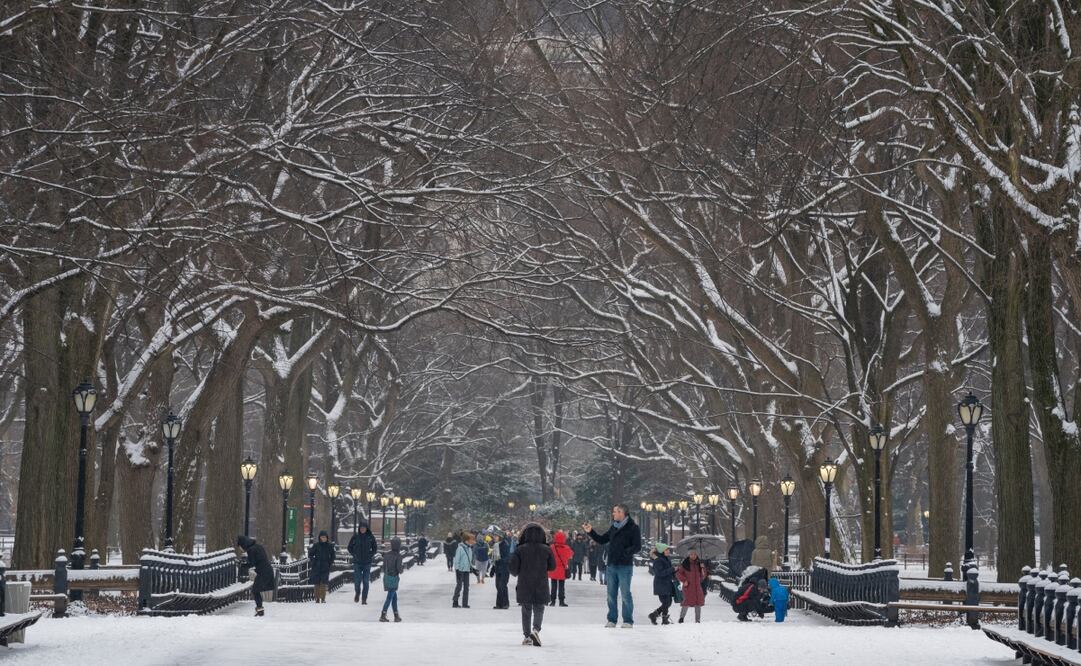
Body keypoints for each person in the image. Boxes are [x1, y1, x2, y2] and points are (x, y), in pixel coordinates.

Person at [583, 504, 642, 627]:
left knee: (625, 593)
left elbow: (637, 546)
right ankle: (612, 619)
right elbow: (602, 539)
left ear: (622, 513)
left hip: (624, 566)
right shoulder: (614, 527)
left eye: (615, 512)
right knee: (611, 594)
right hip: (611, 565)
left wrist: (625, 553)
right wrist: (590, 532)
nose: (613, 514)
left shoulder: (633, 527)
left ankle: (627, 620)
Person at [509, 523, 556, 647]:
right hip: (541, 583)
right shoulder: (546, 549)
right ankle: (536, 630)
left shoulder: (520, 549)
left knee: (526, 610)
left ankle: (527, 636)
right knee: (539, 608)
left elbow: (513, 569)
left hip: (525, 583)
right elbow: (552, 566)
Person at [237, 535, 275, 617]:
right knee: (256, 590)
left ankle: (260, 610)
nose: (241, 549)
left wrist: (242, 565)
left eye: (240, 547)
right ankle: (260, 610)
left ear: (243, 544)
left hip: (263, 572)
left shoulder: (251, 550)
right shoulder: (257, 546)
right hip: (266, 570)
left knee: (255, 590)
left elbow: (252, 563)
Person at [347, 522, 378, 604]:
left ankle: (364, 598)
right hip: (357, 562)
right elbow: (349, 547)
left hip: (367, 562)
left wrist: (370, 554)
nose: (362, 529)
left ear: (366, 529)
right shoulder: (355, 537)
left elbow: (375, 548)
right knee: (357, 580)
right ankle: (357, 592)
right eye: (361, 528)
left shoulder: (370, 537)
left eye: (364, 528)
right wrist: (354, 554)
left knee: (366, 581)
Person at [675, 547, 708, 623]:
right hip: (688, 587)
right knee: (686, 602)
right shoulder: (685, 564)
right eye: (691, 554)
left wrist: (703, 569)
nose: (693, 555)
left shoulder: (699, 564)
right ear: (689, 555)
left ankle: (698, 620)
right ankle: (681, 618)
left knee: (698, 603)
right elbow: (678, 573)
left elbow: (703, 576)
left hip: (697, 587)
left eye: (695, 554)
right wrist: (684, 580)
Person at [647, 543, 675, 625]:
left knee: (668, 602)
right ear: (662, 551)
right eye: (666, 549)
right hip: (661, 584)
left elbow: (668, 571)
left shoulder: (666, 559)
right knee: (666, 602)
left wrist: (674, 571)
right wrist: (671, 569)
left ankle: (654, 615)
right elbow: (659, 573)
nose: (668, 551)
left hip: (667, 584)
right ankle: (664, 619)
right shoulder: (658, 560)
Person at [380, 537, 404, 622]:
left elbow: (383, 566)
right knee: (390, 596)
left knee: (394, 597)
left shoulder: (387, 555)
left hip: (387, 577)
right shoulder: (398, 556)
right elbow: (399, 569)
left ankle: (396, 615)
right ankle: (383, 613)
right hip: (393, 578)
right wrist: (402, 569)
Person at [308, 530, 336, 603]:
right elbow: (310, 554)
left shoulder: (329, 546)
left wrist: (329, 562)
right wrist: (313, 561)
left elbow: (333, 555)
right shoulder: (316, 545)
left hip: (325, 566)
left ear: (327, 538)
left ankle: (323, 598)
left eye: (324, 537)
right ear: (320, 538)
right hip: (316, 566)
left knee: (323, 583)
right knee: (317, 583)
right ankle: (317, 598)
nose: (323, 538)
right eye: (322, 537)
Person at [547, 530, 573, 607]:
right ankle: (561, 601)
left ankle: (552, 601)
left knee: (553, 585)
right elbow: (570, 556)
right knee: (562, 586)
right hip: (562, 569)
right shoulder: (566, 548)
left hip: (553, 568)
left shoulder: (552, 547)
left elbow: (548, 556)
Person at [452, 531, 476, 608]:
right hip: (460, 570)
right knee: (459, 586)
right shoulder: (460, 548)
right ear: (467, 540)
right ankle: (455, 602)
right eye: (472, 539)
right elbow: (456, 560)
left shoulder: (469, 549)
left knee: (466, 587)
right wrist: (457, 569)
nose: (473, 541)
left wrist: (472, 568)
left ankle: (465, 603)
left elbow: (469, 560)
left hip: (466, 570)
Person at [492, 533, 511, 609]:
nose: (494, 537)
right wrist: (493, 569)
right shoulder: (496, 545)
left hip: (504, 568)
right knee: (498, 586)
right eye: (494, 536)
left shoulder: (505, 545)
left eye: (496, 536)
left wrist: (500, 560)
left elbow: (507, 557)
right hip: (498, 568)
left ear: (500, 537)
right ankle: (499, 604)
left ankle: (505, 603)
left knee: (502, 586)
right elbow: (494, 559)